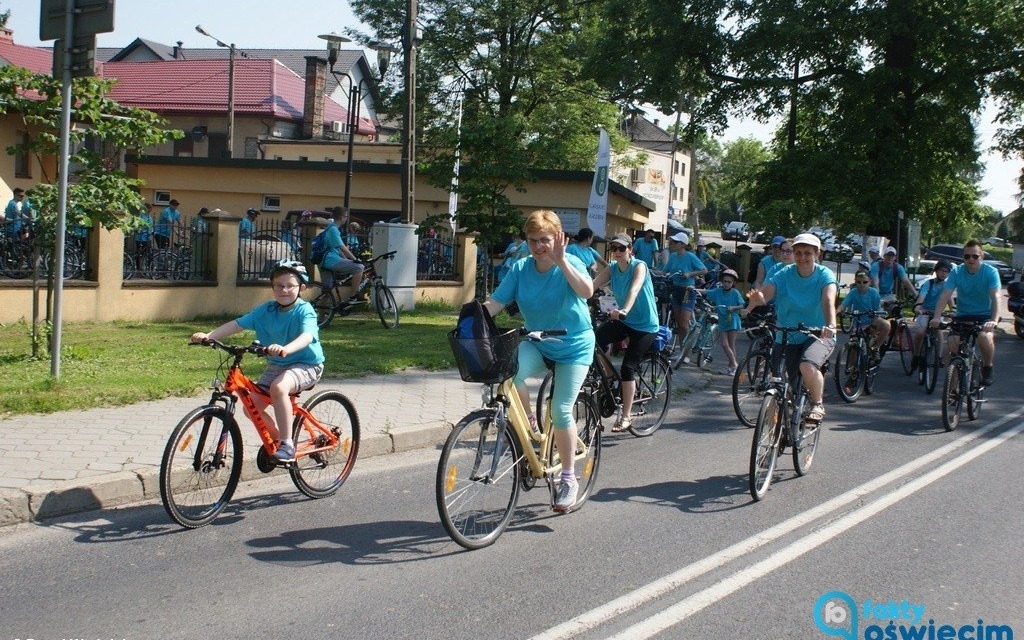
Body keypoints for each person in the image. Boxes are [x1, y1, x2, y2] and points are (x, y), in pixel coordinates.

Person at [482, 210, 595, 513]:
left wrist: (561, 260)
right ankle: (530, 424)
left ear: (559, 238)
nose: (538, 246)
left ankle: (569, 479)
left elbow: (587, 291)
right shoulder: (520, 268)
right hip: (541, 341)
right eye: (533, 240)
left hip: (574, 346)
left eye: (544, 240)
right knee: (509, 374)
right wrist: (472, 318)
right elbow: (496, 302)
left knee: (560, 409)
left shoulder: (571, 261)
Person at [189, 260, 324, 463]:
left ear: (301, 288)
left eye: (290, 285)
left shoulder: (305, 311)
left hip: (307, 364)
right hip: (277, 364)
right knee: (250, 407)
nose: (283, 290)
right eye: (278, 285)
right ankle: (278, 439)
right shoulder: (266, 310)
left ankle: (287, 445)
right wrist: (210, 336)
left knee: (279, 388)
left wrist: (286, 349)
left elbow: (307, 336)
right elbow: (237, 325)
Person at [745, 233, 837, 422]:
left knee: (807, 365)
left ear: (817, 254)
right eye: (798, 252)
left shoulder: (824, 275)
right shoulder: (784, 274)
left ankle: (817, 404)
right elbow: (767, 294)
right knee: (780, 384)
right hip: (787, 334)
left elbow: (828, 301)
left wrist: (830, 325)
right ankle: (777, 435)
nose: (802, 257)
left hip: (818, 334)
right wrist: (759, 299)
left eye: (808, 253)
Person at [592, 233, 658, 432]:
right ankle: (610, 377)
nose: (618, 252)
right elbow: (591, 286)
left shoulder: (639, 266)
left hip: (645, 325)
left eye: (622, 248)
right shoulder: (612, 269)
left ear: (630, 249)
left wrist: (624, 310)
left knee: (628, 368)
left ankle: (627, 416)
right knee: (593, 340)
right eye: (614, 248)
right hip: (624, 320)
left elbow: (634, 289)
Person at [929, 240, 1000, 386]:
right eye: (967, 256)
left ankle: (988, 366)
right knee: (952, 344)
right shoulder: (957, 271)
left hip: (984, 316)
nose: (971, 259)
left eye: (975, 256)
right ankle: (953, 387)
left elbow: (996, 297)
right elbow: (945, 295)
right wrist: (937, 317)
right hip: (963, 315)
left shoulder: (990, 272)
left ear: (981, 256)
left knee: (984, 337)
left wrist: (993, 320)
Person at [657, 231, 707, 360]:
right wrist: (647, 269)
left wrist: (690, 274)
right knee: (679, 323)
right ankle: (682, 351)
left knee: (684, 324)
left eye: (675, 242)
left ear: (682, 244)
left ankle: (687, 352)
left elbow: (704, 270)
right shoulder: (673, 256)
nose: (671, 244)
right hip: (675, 290)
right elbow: (664, 271)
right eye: (671, 241)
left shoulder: (690, 256)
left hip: (687, 291)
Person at [909, 259, 953, 370]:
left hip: (938, 313)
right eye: (941, 271)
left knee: (938, 331)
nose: (944, 273)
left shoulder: (947, 285)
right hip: (925, 311)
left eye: (946, 272)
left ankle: (939, 357)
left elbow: (950, 300)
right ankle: (916, 355)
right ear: (936, 271)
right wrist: (918, 307)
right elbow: (921, 296)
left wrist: (953, 311)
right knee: (920, 332)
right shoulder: (929, 283)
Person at [704, 268, 745, 375]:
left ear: (733, 283)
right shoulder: (717, 291)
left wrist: (734, 308)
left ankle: (733, 366)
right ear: (721, 281)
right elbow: (706, 291)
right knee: (724, 344)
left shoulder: (735, 293)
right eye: (725, 281)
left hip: (732, 320)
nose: (726, 284)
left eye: (729, 282)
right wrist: (694, 289)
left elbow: (742, 304)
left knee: (730, 344)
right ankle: (734, 366)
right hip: (722, 321)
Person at [838, 270, 889, 355]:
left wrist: (873, 325)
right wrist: (838, 311)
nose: (862, 284)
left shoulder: (873, 293)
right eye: (859, 282)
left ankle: (875, 348)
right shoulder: (853, 292)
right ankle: (852, 367)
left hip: (872, 321)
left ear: (870, 282)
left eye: (865, 282)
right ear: (855, 282)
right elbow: (843, 305)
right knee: (854, 350)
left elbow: (877, 311)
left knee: (886, 325)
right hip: (858, 323)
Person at [320, 206, 364, 302]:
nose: (347, 218)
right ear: (342, 217)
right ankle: (353, 296)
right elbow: (343, 248)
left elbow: (338, 249)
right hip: (330, 260)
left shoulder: (330, 228)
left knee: (327, 292)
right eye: (346, 216)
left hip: (323, 261)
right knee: (359, 267)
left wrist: (348, 260)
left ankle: (322, 317)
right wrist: (355, 259)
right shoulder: (333, 230)